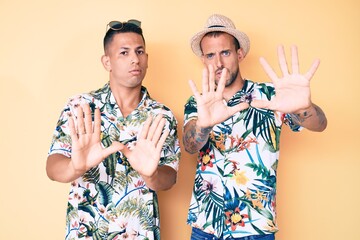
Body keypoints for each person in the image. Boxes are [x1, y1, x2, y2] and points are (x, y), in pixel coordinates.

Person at [183, 14, 327, 240]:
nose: (218, 62)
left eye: (225, 52)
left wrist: (303, 107)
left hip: (256, 226)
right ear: (203, 59)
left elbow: (320, 125)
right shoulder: (198, 103)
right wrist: (204, 124)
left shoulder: (272, 96)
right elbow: (190, 145)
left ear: (239, 53)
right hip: (206, 225)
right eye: (210, 55)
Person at [46, 19, 180, 240]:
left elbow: (170, 177)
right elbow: (52, 166)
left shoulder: (161, 116)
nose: (135, 59)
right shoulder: (80, 106)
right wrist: (75, 167)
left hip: (140, 233)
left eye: (140, 52)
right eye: (124, 53)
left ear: (147, 59)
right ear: (106, 61)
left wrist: (152, 175)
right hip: (86, 232)